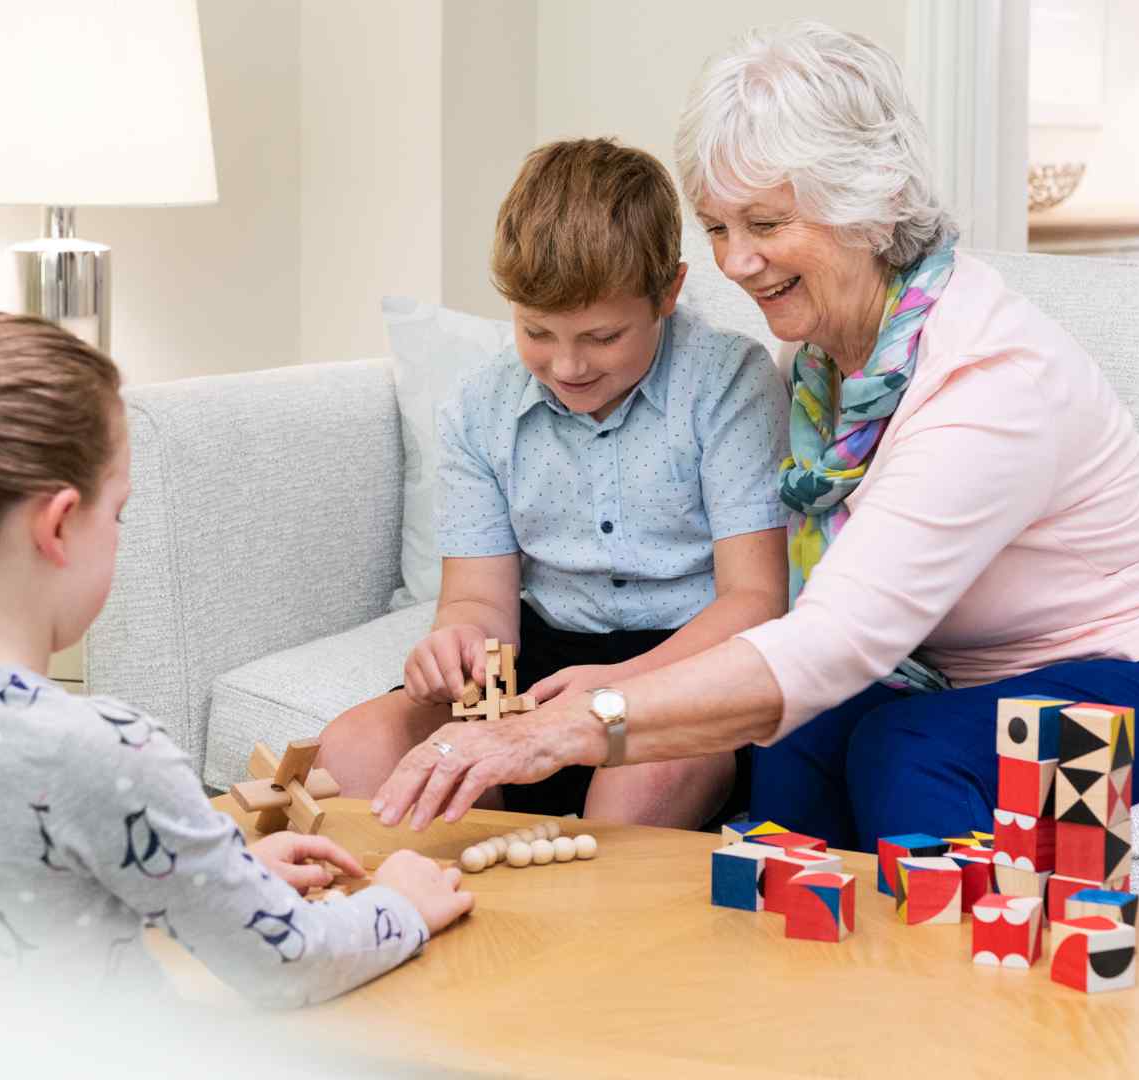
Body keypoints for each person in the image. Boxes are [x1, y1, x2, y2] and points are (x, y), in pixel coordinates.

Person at [368, 22, 1139, 849]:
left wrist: (573, 726)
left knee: (905, 746)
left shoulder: (988, 383)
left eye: (766, 223)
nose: (735, 264)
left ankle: (948, 1021)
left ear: (864, 201)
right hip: (974, 674)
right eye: (718, 227)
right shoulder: (829, 364)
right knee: (796, 749)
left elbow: (834, 642)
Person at [0, 311, 471, 1006]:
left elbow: (14, 884)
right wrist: (399, 902)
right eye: (119, 512)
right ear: (59, 523)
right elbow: (291, 963)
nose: (120, 535)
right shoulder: (102, 748)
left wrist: (221, 877)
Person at [317, 138, 790, 827]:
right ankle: (453, 911)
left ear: (669, 293)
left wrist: (619, 686)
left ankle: (582, 919)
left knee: (653, 769)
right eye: (537, 331)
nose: (567, 366)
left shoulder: (728, 384)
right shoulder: (480, 407)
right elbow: (477, 602)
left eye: (602, 337)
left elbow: (754, 603)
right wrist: (457, 645)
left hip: (685, 666)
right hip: (537, 670)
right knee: (355, 745)